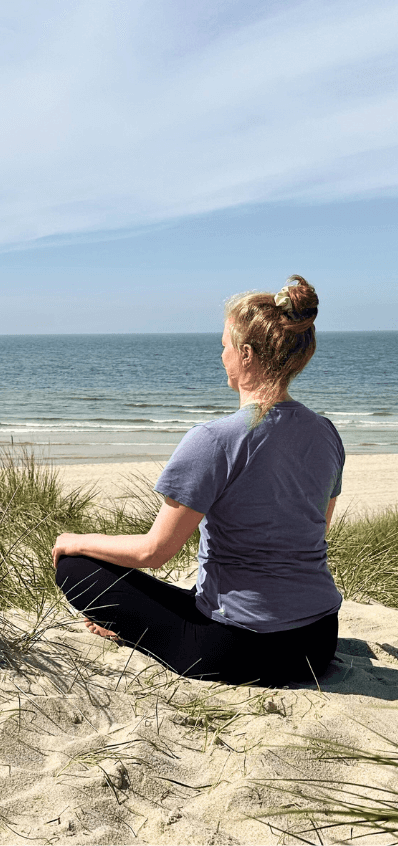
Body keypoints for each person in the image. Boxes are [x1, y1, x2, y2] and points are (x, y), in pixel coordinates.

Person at [52, 276, 344, 686]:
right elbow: (317, 532)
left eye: (224, 344)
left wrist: (74, 540)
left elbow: (154, 552)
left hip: (239, 650)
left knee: (74, 568)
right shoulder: (326, 433)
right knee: (188, 599)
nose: (220, 353)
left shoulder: (214, 439)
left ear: (245, 354)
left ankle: (136, 632)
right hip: (317, 642)